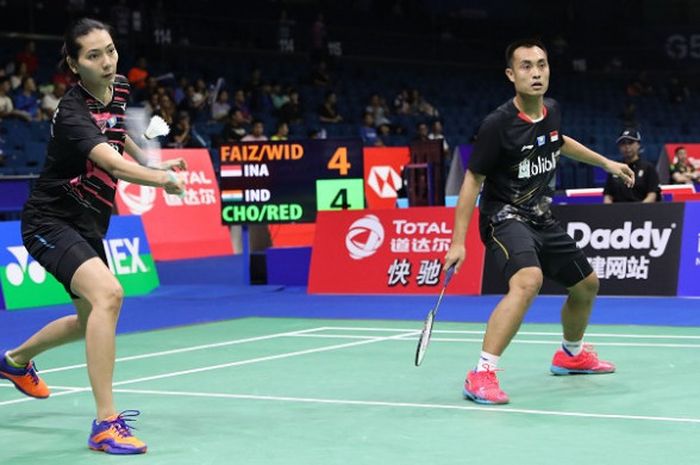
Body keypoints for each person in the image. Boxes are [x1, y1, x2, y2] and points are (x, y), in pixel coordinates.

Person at [0, 18, 185, 454]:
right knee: (109, 296)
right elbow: (114, 166)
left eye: (110, 50)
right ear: (73, 64)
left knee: (89, 321)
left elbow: (118, 139)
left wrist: (153, 158)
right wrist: (160, 178)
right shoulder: (72, 113)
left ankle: (14, 362)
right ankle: (105, 424)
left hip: (88, 223)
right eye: (93, 56)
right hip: (49, 221)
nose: (106, 62)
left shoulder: (118, 87)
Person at [444, 39, 635, 405]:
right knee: (528, 280)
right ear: (511, 74)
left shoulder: (551, 110)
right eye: (527, 66)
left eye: (542, 65)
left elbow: (558, 141)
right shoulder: (497, 125)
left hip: (541, 216)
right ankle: (481, 373)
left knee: (586, 284)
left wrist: (607, 163)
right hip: (504, 217)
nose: (536, 73)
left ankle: (571, 354)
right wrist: (458, 241)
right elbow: (472, 181)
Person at [603, 129, 660, 203]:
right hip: (617, 212)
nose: (627, 146)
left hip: (641, 212)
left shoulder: (648, 168)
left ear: (638, 144)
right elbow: (608, 196)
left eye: (630, 142)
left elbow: (652, 195)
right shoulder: (615, 168)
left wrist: (638, 211)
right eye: (623, 143)